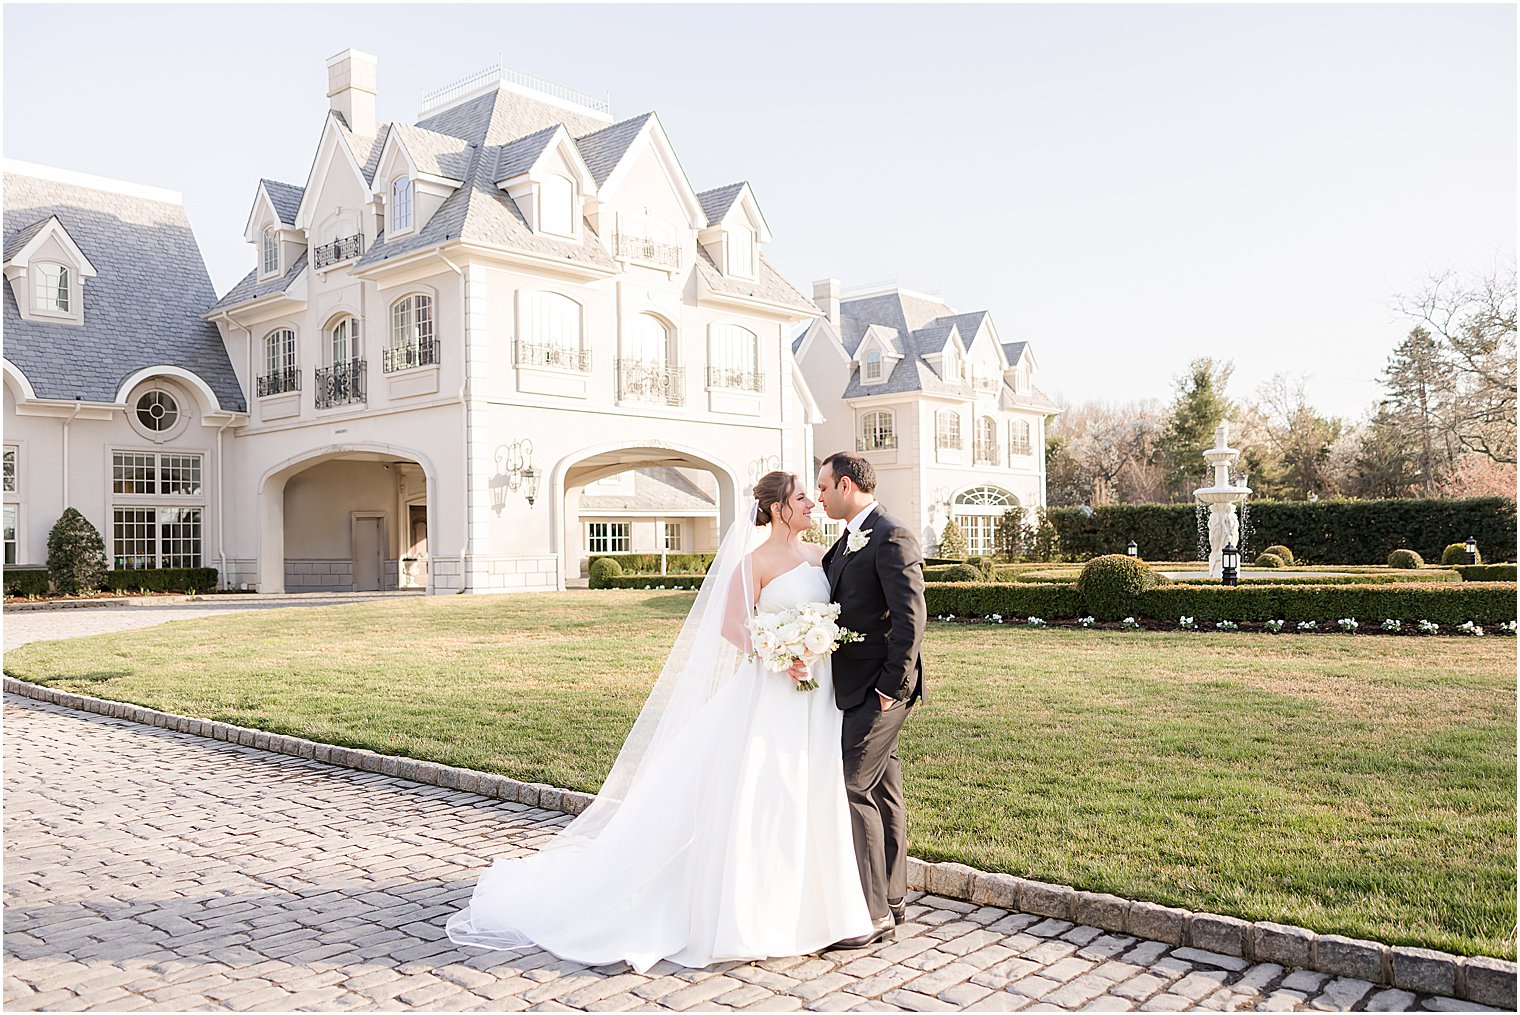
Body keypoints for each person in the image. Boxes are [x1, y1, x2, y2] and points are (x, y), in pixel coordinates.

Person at [445, 471, 875, 972]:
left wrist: (814, 646)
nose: (811, 504)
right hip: (773, 691)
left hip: (816, 697)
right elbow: (731, 626)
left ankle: (817, 910)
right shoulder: (753, 562)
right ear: (779, 509)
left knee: (810, 790)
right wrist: (777, 655)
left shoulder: (820, 556)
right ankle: (753, 914)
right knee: (767, 791)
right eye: (802, 497)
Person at [808, 451, 927, 948]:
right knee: (882, 790)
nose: (818, 496)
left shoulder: (891, 535)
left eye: (824, 486)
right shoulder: (843, 543)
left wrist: (890, 689)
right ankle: (894, 899)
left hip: (880, 689)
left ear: (848, 485)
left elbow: (911, 619)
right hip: (851, 685)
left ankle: (871, 914)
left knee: (852, 786)